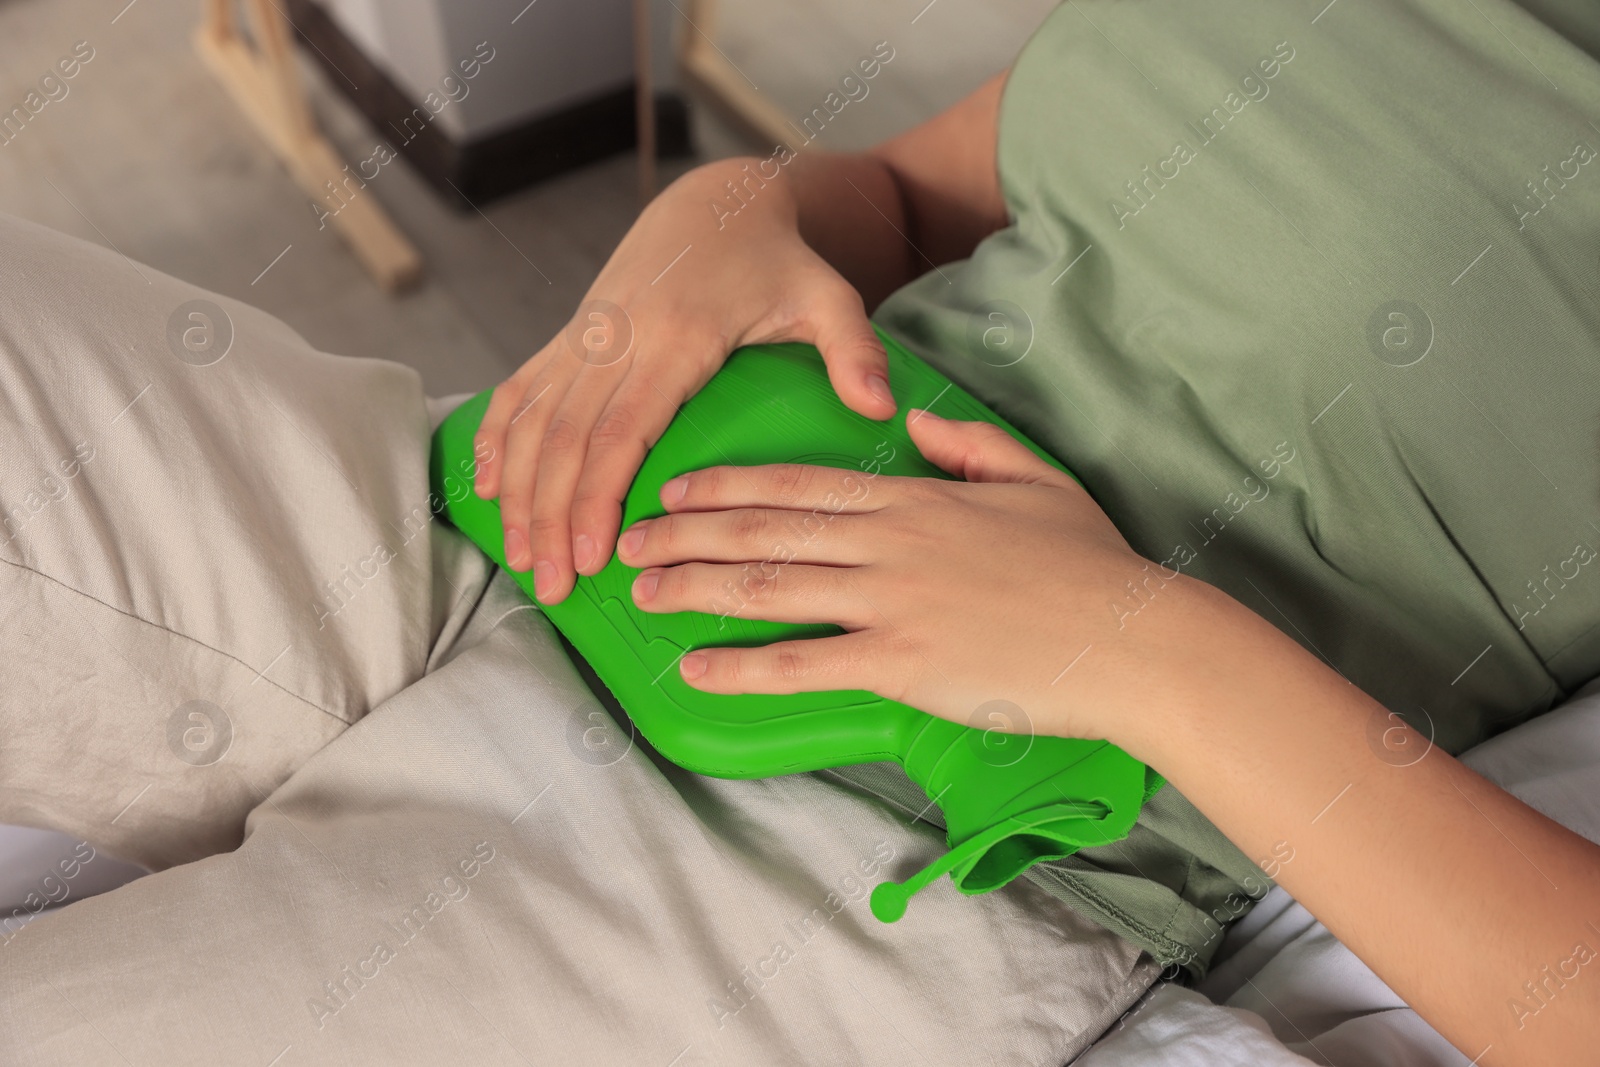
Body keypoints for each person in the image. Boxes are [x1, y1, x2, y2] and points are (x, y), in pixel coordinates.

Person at [2, 2, 1597, 1065]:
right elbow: (907, 194)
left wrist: (1137, 652)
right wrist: (720, 223)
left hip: (885, 845)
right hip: (524, 511)